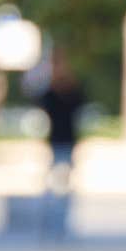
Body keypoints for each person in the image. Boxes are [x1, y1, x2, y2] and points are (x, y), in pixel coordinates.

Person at [37, 55, 85, 195]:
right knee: (56, 175)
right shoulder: (51, 93)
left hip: (67, 137)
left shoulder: (71, 91)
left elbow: (78, 103)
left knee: (65, 175)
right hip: (58, 137)